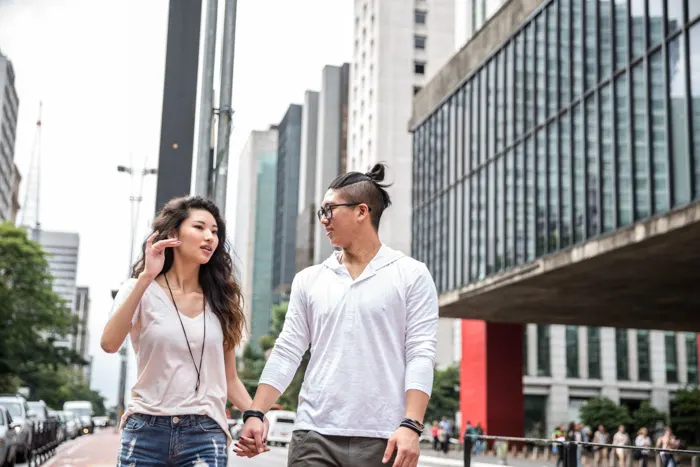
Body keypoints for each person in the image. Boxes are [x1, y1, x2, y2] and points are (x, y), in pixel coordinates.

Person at [234, 163, 439, 467]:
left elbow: (420, 353)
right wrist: (255, 412)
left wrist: (411, 424)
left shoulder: (411, 274)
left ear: (361, 211)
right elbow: (288, 350)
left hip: (383, 437)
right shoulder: (309, 279)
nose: (324, 220)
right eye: (321, 212)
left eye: (329, 210)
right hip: (314, 434)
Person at [101, 196, 269, 465]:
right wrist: (146, 277)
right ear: (172, 234)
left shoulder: (222, 299)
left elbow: (229, 378)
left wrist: (254, 415)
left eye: (215, 232)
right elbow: (109, 343)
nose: (209, 237)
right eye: (199, 227)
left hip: (204, 433)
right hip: (145, 431)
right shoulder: (139, 289)